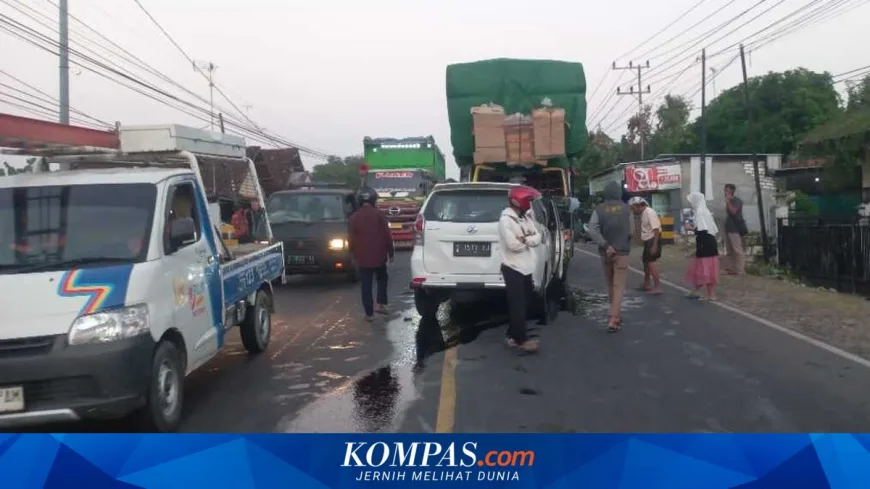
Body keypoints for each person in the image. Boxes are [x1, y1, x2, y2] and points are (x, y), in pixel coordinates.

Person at [498, 185, 543, 353]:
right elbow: (513, 245)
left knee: (525, 302)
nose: (530, 204)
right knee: (517, 305)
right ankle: (520, 339)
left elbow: (537, 236)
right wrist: (528, 239)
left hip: (526, 267)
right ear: (519, 201)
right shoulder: (506, 220)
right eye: (528, 200)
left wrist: (525, 239)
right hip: (512, 267)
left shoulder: (525, 218)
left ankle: (512, 335)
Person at [587, 181, 632, 332]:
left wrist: (606, 244)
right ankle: (614, 318)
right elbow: (632, 231)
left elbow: (592, 230)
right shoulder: (627, 209)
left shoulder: (599, 209)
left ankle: (614, 312)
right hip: (622, 252)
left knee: (610, 284)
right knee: (619, 286)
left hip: (605, 252)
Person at [348, 186, 394, 322]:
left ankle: (369, 314)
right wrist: (390, 253)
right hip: (379, 256)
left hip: (362, 257)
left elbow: (351, 239)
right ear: (374, 199)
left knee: (366, 284)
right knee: (382, 278)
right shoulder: (380, 215)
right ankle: (380, 304)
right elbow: (387, 236)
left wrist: (352, 254)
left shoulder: (353, 218)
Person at [684, 192, 720, 300]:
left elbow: (702, 230)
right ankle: (699, 291)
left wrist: (690, 228)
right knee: (704, 268)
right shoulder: (705, 211)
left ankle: (711, 294)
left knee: (705, 268)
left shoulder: (700, 212)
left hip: (704, 244)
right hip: (710, 242)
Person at [629, 197, 662, 294]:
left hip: (653, 240)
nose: (633, 210)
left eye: (633, 208)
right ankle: (646, 283)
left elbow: (656, 229)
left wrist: (654, 245)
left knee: (650, 263)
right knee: (646, 263)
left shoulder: (649, 212)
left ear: (638, 206)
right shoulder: (643, 213)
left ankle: (658, 286)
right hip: (648, 240)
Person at [723, 183, 747, 275]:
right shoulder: (729, 200)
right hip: (728, 228)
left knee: (737, 250)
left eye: (727, 190)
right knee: (729, 250)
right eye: (725, 190)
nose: (725, 192)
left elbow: (733, 211)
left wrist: (728, 201)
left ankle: (740, 269)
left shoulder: (737, 201)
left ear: (732, 191)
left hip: (735, 229)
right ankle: (732, 268)